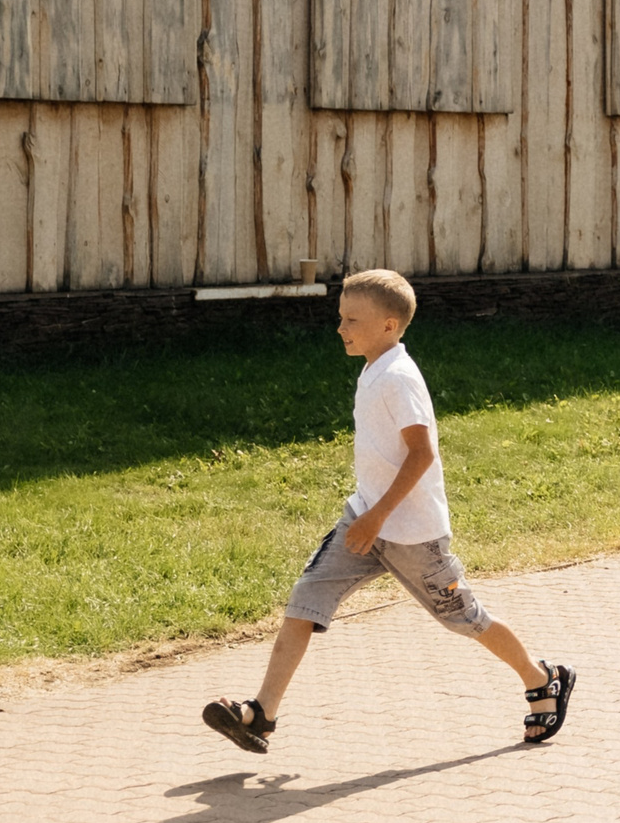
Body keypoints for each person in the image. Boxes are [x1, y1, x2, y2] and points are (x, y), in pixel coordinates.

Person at [200, 268, 574, 753]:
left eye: (352, 320)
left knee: (465, 618)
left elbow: (422, 454)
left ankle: (543, 679)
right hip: (364, 521)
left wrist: (377, 517)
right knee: (306, 599)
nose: (341, 327)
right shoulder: (375, 368)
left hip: (412, 535)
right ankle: (262, 713)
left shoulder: (398, 378)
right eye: (341, 317)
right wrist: (369, 516)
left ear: (389, 325)